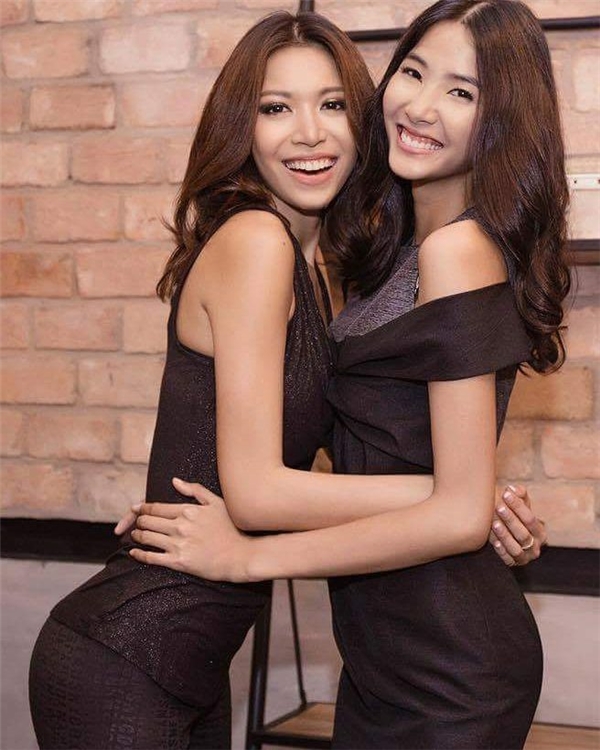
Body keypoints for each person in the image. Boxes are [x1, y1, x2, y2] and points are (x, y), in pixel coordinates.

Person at [127, 2, 569, 749]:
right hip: (381, 657)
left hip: (449, 664)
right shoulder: (386, 256)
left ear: (501, 122)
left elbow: (458, 515)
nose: (421, 106)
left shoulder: (458, 253)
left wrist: (247, 557)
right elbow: (414, 474)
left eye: (462, 91)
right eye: (414, 73)